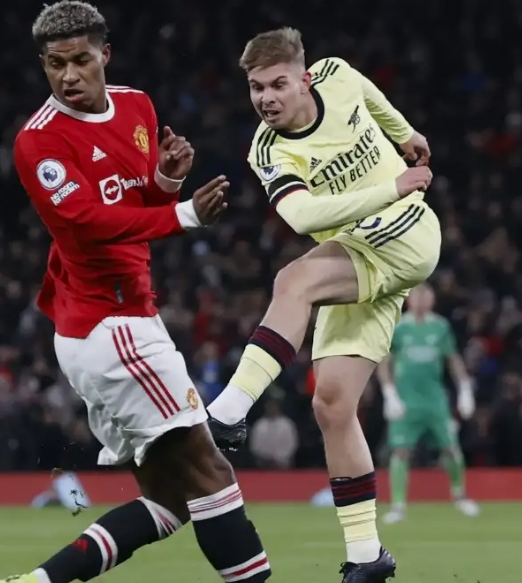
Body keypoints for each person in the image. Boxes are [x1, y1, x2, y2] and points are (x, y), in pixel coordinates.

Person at [0, 3, 271, 583]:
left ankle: (39, 582)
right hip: (107, 325)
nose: (69, 76)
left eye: (80, 60)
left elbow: (133, 206)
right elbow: (87, 223)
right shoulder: (38, 142)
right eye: (55, 65)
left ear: (105, 54)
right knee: (212, 473)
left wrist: (164, 181)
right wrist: (184, 214)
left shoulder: (138, 107)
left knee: (171, 501)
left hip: (124, 318)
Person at [204, 28, 442, 582]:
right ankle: (367, 555)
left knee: (293, 280)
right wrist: (393, 184)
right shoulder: (268, 149)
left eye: (277, 84)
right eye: (256, 87)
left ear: (305, 79)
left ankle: (229, 412)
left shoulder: (335, 73)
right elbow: (302, 217)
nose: (266, 98)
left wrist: (405, 133)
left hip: (406, 234)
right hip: (362, 248)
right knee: (332, 404)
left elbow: (365, 89)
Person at [375, 283, 480, 523]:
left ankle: (460, 496)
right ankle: (398, 505)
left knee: (450, 447)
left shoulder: (440, 327)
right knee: (401, 451)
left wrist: (465, 389)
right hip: (406, 401)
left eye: (426, 297)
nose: (421, 301)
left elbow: (452, 359)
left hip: (435, 401)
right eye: (417, 297)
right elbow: (385, 362)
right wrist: (389, 394)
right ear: (409, 300)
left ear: (432, 300)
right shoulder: (398, 327)